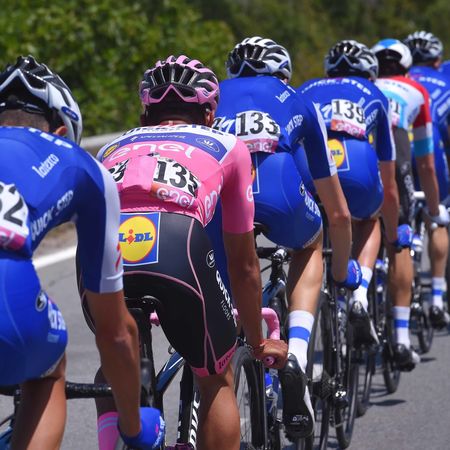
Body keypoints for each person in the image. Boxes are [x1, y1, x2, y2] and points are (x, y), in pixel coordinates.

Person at [88, 55, 288, 450]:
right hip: (177, 242)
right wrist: (257, 341)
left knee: (113, 366)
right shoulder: (228, 145)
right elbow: (244, 264)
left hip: (106, 248)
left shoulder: (111, 147)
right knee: (215, 377)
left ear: (145, 114)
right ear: (210, 114)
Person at [0, 56, 163, 450]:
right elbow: (116, 332)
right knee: (48, 367)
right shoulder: (78, 163)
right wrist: (133, 428)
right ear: (61, 131)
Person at [213, 36, 359, 439]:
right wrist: (341, 271)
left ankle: (229, 338)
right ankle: (295, 350)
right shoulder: (297, 99)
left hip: (222, 196)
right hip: (278, 189)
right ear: (283, 72)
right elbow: (339, 212)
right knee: (310, 243)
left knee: (224, 257)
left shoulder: (213, 95)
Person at [298, 40, 415, 363]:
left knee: (309, 236)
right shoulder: (375, 93)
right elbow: (389, 183)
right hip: (356, 164)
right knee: (369, 219)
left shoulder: (307, 88)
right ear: (370, 71)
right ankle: (360, 293)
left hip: (310, 167)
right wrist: (393, 234)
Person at [371, 38, 449, 366]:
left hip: (363, 161)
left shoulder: (368, 86)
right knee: (411, 229)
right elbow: (428, 161)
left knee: (364, 220)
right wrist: (434, 207)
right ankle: (436, 298)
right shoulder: (419, 88)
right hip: (413, 151)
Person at [404, 31, 450, 328]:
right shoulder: (445, 81)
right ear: (437, 60)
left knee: (396, 223)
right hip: (430, 148)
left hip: (397, 148)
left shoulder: (399, 80)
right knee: (438, 215)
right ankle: (436, 295)